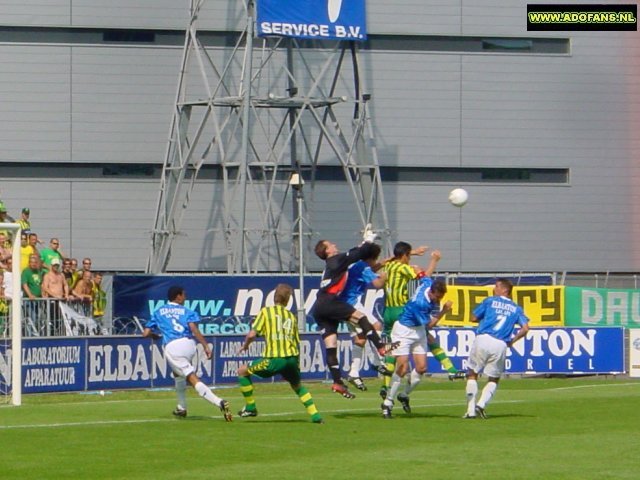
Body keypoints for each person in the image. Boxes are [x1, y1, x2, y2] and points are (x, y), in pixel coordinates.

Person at [311, 227, 396, 399]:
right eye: (331, 245)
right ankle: (380, 348)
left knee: (331, 346)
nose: (335, 245)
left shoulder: (333, 264)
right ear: (327, 251)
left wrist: (365, 242)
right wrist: (369, 240)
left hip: (319, 308)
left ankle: (337, 382)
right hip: (331, 302)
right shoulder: (335, 260)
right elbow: (358, 254)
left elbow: (357, 254)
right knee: (362, 318)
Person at [380, 242, 464, 400]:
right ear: (404, 256)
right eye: (409, 256)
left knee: (391, 348)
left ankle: (385, 384)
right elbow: (423, 277)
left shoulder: (388, 265)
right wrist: (433, 261)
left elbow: (388, 260)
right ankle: (451, 369)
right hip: (402, 311)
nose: (409, 259)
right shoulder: (403, 268)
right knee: (429, 339)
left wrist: (414, 252)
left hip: (387, 311)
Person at [142, 285, 232, 421]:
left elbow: (146, 333)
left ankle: (219, 402)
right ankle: (181, 408)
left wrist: (154, 336)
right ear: (178, 296)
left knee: (191, 377)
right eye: (184, 294)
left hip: (173, 346)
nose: (185, 297)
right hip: (189, 344)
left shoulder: (159, 311)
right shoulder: (187, 311)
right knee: (178, 374)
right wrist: (206, 346)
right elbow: (194, 329)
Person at [236, 283, 323, 424]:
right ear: (287, 300)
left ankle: (251, 407)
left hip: (275, 359)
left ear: (274, 297)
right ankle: (315, 415)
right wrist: (297, 364)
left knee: (242, 371)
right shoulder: (291, 317)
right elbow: (296, 341)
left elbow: (252, 334)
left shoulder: (266, 312)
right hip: (292, 359)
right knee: (297, 386)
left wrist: (245, 346)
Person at [381, 269, 452, 419]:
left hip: (418, 331)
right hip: (404, 331)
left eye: (441, 298)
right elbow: (430, 325)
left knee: (421, 367)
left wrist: (421, 268)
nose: (438, 300)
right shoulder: (420, 304)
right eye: (437, 297)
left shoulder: (428, 284)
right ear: (432, 293)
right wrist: (444, 311)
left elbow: (423, 276)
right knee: (402, 367)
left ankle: (404, 394)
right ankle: (387, 402)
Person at [463, 278, 530, 419]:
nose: (494, 289)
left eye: (497, 287)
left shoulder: (490, 301)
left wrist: (486, 319)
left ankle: (470, 411)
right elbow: (525, 328)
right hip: (500, 344)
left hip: (483, 338)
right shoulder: (516, 309)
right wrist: (512, 341)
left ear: (505, 290)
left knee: (472, 373)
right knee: (494, 378)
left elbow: (473, 318)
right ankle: (481, 405)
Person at [337, 242, 390, 391]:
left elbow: (371, 269)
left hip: (343, 305)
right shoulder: (364, 267)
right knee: (376, 326)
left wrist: (384, 263)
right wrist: (384, 277)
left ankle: (354, 372)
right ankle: (377, 361)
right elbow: (378, 283)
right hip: (352, 304)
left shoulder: (357, 265)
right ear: (372, 257)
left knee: (360, 338)